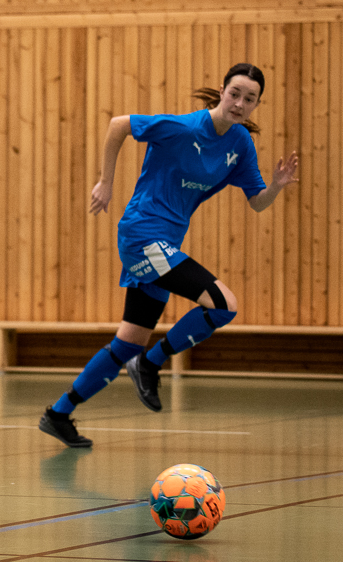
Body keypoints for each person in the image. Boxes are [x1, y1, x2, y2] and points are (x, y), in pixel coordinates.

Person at [39, 63, 299, 448]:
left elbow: (257, 202)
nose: (239, 104)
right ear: (222, 91)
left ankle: (58, 414)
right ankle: (150, 362)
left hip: (166, 245)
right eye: (235, 94)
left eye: (250, 99)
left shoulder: (240, 143)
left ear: (257, 104)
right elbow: (119, 125)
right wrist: (106, 182)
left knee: (128, 342)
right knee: (224, 305)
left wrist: (276, 186)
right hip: (142, 235)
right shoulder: (185, 127)